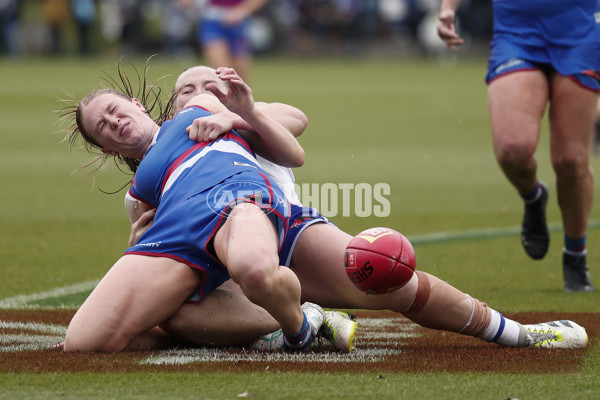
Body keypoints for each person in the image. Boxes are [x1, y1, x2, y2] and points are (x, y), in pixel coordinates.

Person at [83, 65, 588, 354]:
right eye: (188, 91)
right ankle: (293, 325)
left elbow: (294, 124)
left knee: (388, 278)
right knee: (173, 314)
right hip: (217, 248)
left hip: (285, 226)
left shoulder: (236, 114)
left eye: (209, 84)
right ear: (172, 110)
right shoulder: (170, 156)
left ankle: (519, 333)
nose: (201, 94)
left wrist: (240, 115)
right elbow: (146, 240)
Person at [62, 73, 331, 353]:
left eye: (113, 110)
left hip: (231, 196)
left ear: (137, 104)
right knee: (82, 344)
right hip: (174, 231)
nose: (113, 121)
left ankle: (298, 327)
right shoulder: (136, 196)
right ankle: (299, 319)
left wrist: (240, 114)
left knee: (252, 268)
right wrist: (139, 244)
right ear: (107, 149)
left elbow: (290, 119)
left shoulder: (197, 109)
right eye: (102, 125)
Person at [437, 0, 600, 292]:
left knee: (570, 159)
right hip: (517, 29)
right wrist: (448, 9)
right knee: (513, 147)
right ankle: (533, 196)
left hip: (582, 28)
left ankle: (575, 256)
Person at [196, 0, 268, 82]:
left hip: (239, 22)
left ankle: (238, 94)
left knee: (240, 76)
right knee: (222, 71)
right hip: (212, 20)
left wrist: (243, 11)